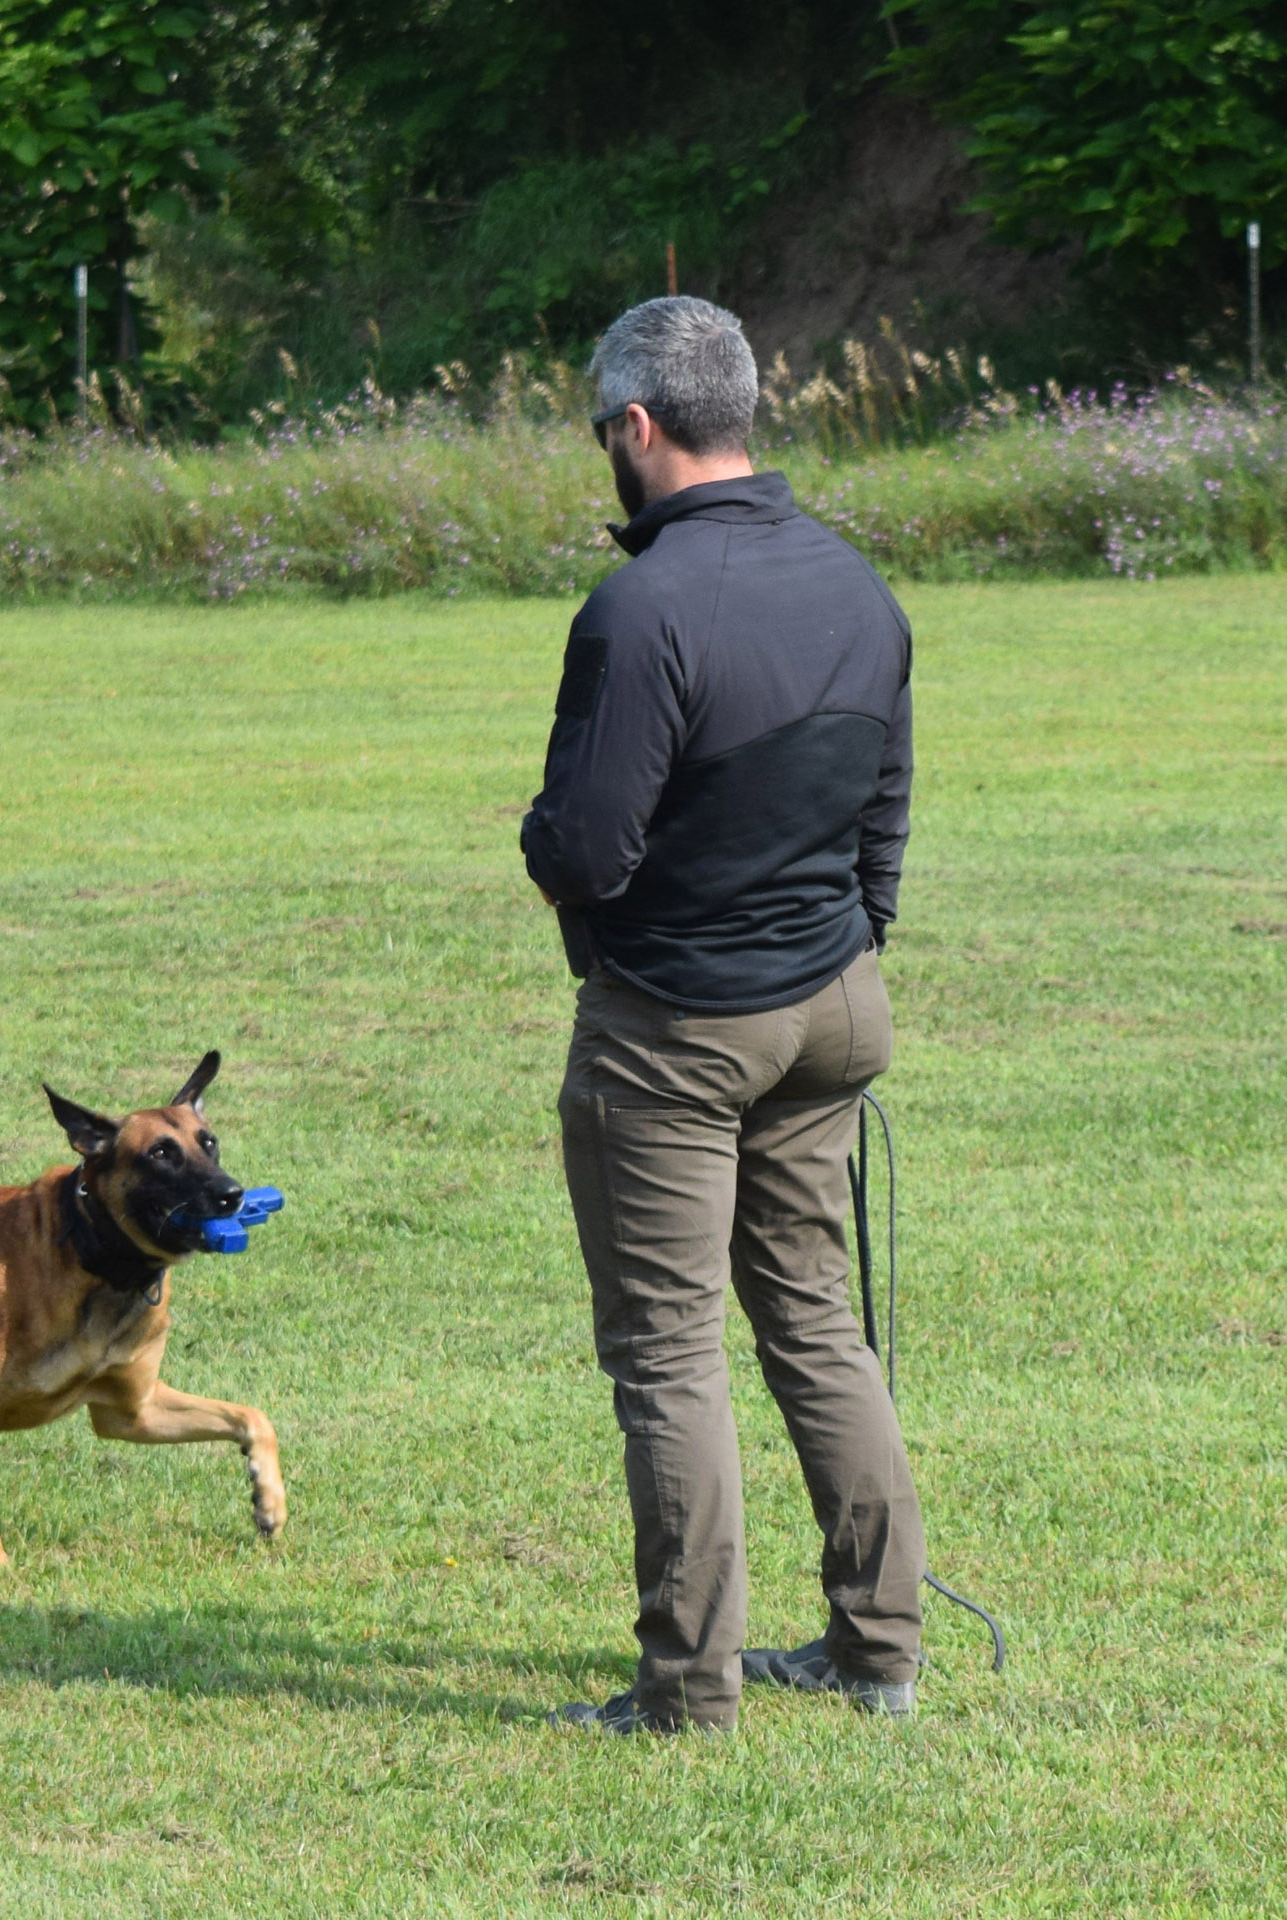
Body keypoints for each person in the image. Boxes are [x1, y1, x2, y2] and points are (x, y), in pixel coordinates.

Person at [523, 296, 925, 1734]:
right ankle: (880, 1647)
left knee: (669, 1353)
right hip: (834, 1009)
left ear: (637, 426)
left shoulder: (639, 610)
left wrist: (550, 861)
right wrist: (844, 944)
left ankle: (688, 1689)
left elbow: (584, 849)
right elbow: (884, 816)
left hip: (678, 1031)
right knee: (816, 1323)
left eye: (599, 434)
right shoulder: (856, 584)